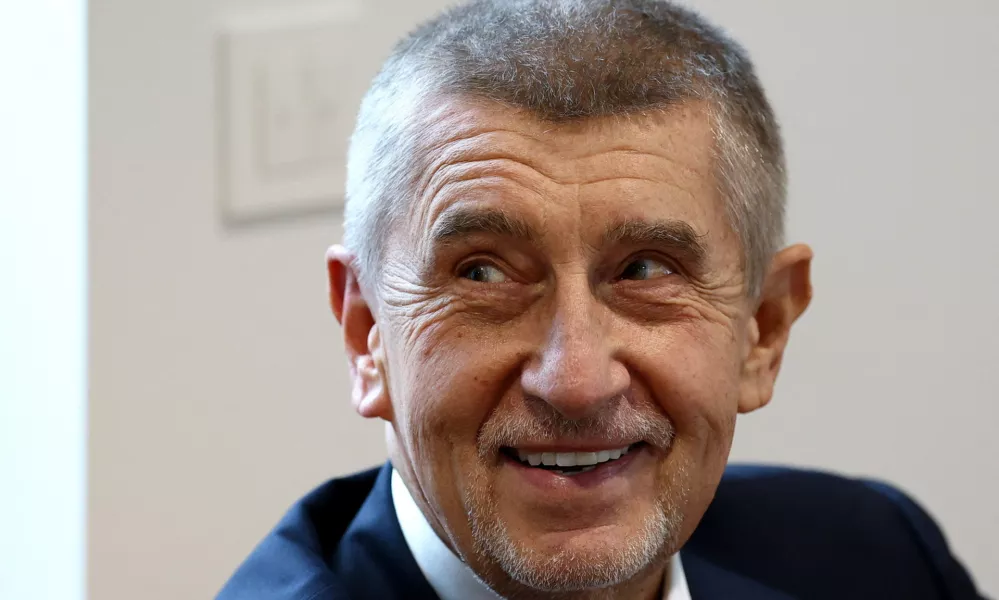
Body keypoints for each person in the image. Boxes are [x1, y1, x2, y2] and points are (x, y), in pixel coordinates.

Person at [218, 1, 983, 598]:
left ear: (764, 328)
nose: (575, 380)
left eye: (646, 270)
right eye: (483, 273)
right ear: (366, 334)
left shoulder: (877, 560)